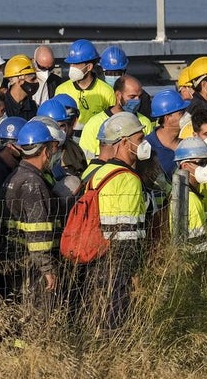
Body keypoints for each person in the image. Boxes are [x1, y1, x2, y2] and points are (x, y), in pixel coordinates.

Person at [84, 112, 148, 331]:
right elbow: (128, 234)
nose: (143, 144)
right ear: (124, 142)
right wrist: (134, 273)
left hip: (96, 261)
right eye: (139, 139)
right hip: (120, 267)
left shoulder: (98, 173)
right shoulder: (128, 179)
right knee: (118, 324)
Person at [3, 121, 61, 311]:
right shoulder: (33, 183)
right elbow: (38, 231)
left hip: (16, 257)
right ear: (45, 151)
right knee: (36, 313)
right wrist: (47, 268)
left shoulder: (15, 176)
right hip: (33, 263)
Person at [79, 75, 152, 159]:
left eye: (139, 96)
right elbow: (85, 157)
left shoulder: (144, 122)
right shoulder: (95, 123)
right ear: (118, 95)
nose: (137, 101)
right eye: (132, 97)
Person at [55, 39, 114, 131]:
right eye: (71, 64)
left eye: (76, 64)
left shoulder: (106, 91)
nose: (72, 68)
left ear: (89, 67)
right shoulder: (61, 89)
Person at [172, 136, 207, 252]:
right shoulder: (191, 200)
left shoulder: (180, 193)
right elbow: (198, 248)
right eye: (202, 162)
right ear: (185, 166)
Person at [147, 89, 190, 177]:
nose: (187, 116)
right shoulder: (148, 147)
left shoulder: (188, 141)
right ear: (167, 118)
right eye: (181, 113)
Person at [2, 55, 39, 120]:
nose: (36, 82)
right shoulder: (1, 105)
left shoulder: (33, 106)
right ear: (20, 80)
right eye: (33, 79)